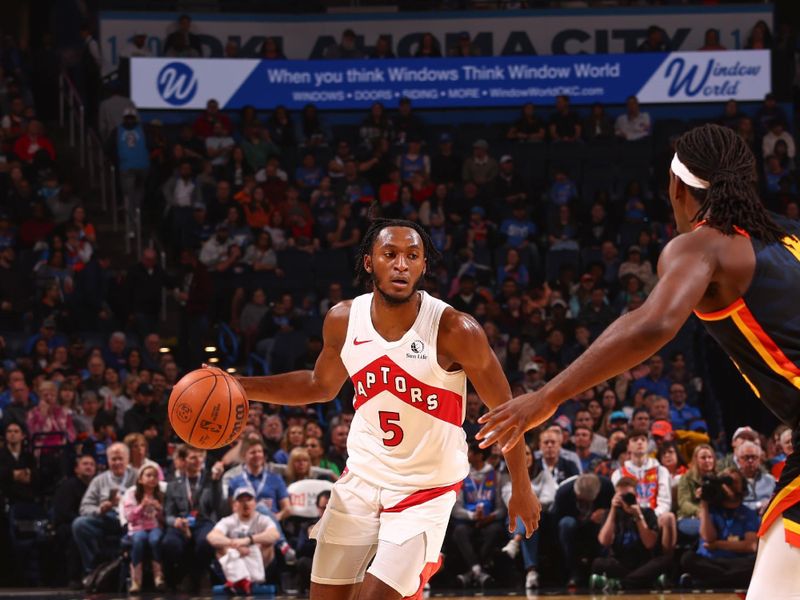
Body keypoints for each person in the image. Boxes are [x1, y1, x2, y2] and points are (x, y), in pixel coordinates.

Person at [478, 123, 800, 599]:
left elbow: (652, 322)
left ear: (675, 187)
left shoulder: (703, 244)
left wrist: (547, 396)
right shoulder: (788, 239)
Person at [227, 218, 539, 599]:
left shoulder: (456, 330)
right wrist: (240, 387)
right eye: (390, 254)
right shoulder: (344, 320)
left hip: (425, 490)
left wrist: (520, 487)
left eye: (412, 256)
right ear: (369, 262)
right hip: (360, 482)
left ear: (424, 266)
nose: (401, 264)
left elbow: (507, 412)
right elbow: (318, 386)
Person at [679, 468, 758, 588]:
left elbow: (750, 546)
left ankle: (702, 582)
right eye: (727, 483)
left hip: (736, 562)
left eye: (735, 482)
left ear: (743, 487)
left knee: (755, 564)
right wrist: (704, 504)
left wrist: (718, 545)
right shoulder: (711, 510)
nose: (730, 486)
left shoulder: (748, 513)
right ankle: (726, 581)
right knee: (687, 558)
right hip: (711, 560)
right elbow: (708, 538)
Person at [591, 476, 672, 591]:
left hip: (643, 562)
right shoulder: (610, 514)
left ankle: (622, 583)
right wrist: (613, 510)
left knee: (664, 561)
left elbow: (649, 544)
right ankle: (641, 581)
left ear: (636, 496)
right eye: (621, 496)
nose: (625, 499)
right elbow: (604, 541)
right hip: (620, 562)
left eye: (629, 496)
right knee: (598, 563)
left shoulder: (647, 513)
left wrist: (638, 516)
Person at [162, 446, 225, 591]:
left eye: (200, 457)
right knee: (169, 543)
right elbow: (168, 515)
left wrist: (216, 482)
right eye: (193, 457)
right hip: (181, 522)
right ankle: (180, 577)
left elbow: (217, 506)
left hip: (204, 521)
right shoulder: (173, 485)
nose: (198, 461)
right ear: (184, 461)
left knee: (205, 541)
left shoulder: (211, 480)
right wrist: (175, 522)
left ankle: (198, 575)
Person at [72, 442, 137, 578]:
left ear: (127, 459)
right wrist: (100, 509)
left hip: (131, 521)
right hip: (107, 518)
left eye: (120, 459)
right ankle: (93, 570)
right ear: (108, 461)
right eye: (113, 459)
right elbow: (84, 507)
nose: (117, 462)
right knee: (80, 524)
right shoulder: (99, 480)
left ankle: (134, 573)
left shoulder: (137, 477)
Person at [451, 442, 506, 587]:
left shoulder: (496, 476)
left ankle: (471, 573)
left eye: (470, 452)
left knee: (495, 531)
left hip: (490, 520)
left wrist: (490, 517)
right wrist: (473, 516)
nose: (466, 455)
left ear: (479, 456)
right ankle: (479, 571)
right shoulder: (461, 475)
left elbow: (502, 508)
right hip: (468, 520)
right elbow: (456, 508)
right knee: (459, 531)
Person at [207, 486, 280, 595]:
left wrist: (248, 540)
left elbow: (275, 535)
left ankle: (245, 581)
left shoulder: (263, 519)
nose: (245, 504)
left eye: (249, 500)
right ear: (234, 505)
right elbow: (211, 537)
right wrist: (233, 544)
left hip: (258, 561)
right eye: (241, 500)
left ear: (255, 503)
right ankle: (242, 581)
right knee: (221, 548)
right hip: (236, 558)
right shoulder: (228, 520)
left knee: (268, 545)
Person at [552, 473, 614, 586]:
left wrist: (606, 513)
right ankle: (574, 572)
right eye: (582, 500)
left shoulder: (607, 486)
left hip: (598, 528)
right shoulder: (563, 492)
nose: (585, 503)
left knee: (607, 522)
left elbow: (617, 511)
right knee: (566, 524)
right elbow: (554, 523)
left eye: (588, 501)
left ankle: (601, 569)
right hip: (573, 528)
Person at [122, 464, 166, 592]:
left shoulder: (160, 494)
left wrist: (159, 509)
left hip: (155, 526)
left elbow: (165, 519)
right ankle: (136, 580)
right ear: (140, 479)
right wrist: (141, 506)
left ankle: (158, 577)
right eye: (148, 475)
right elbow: (129, 517)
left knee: (155, 539)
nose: (152, 478)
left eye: (155, 476)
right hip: (137, 528)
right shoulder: (132, 494)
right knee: (139, 540)